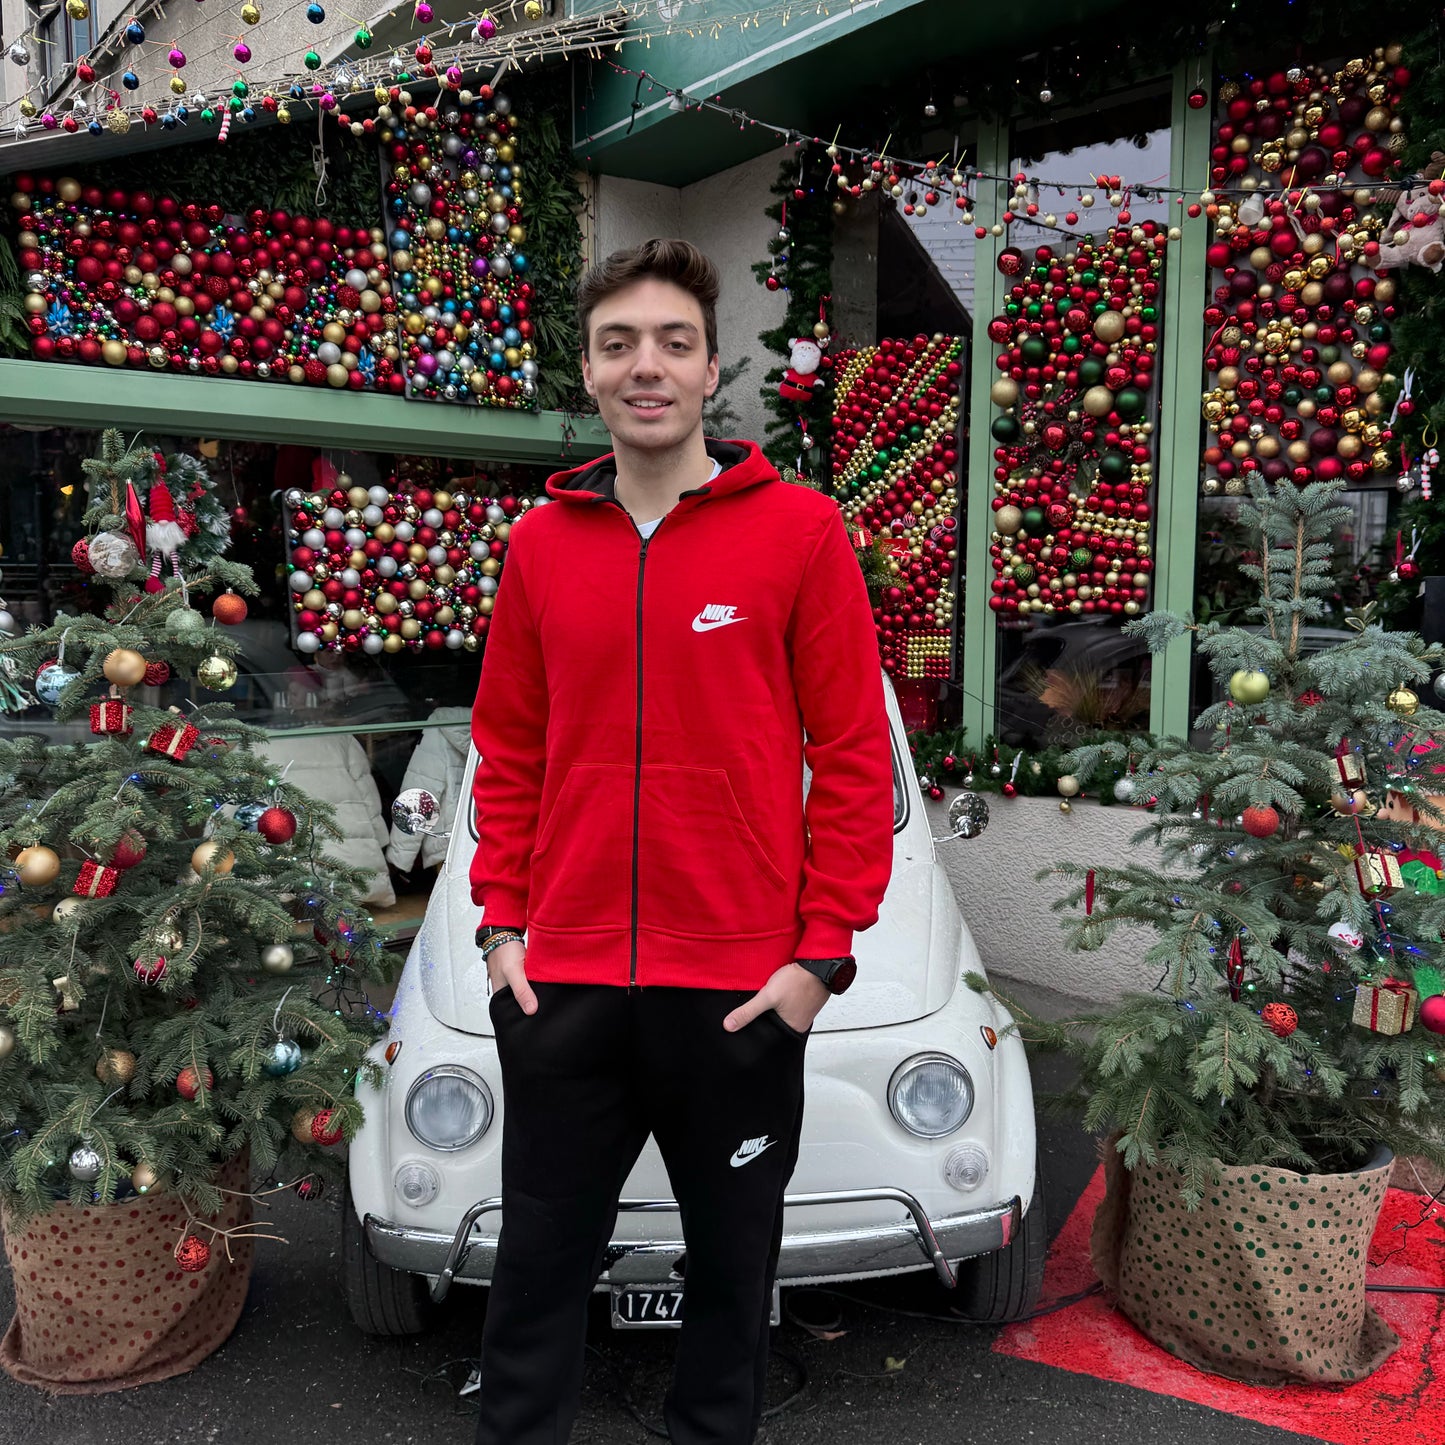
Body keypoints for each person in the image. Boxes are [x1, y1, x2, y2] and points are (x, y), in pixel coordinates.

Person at [469, 237, 895, 1445]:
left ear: (712, 369)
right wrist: (503, 928)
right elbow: (506, 752)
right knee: (538, 1267)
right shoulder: (538, 549)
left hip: (738, 990)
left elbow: (853, 758)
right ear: (589, 373)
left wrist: (817, 959)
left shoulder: (800, 533)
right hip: (565, 981)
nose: (644, 366)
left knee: (728, 1275)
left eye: (671, 342)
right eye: (617, 344)